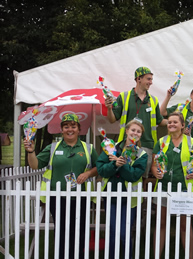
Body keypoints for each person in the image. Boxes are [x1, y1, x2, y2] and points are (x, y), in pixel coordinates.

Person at [24, 113, 98, 259]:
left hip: (81, 197)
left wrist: (88, 173)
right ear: (61, 130)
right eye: (66, 126)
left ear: (79, 129)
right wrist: (31, 151)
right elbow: (35, 165)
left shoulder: (88, 148)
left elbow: (99, 167)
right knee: (61, 231)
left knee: (80, 230)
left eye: (73, 126)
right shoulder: (52, 148)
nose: (70, 129)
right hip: (57, 198)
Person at [151, 112, 193, 258]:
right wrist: (156, 173)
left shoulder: (192, 142)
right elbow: (154, 165)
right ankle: (156, 256)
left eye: (175, 122)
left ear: (183, 125)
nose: (171, 124)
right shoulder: (161, 141)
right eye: (169, 122)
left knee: (185, 225)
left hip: (184, 188)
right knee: (161, 224)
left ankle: (189, 256)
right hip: (164, 187)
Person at [96, 119, 147, 259]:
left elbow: (134, 175)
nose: (135, 133)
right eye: (133, 130)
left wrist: (121, 164)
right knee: (113, 232)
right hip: (111, 196)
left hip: (130, 199)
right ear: (126, 131)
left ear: (141, 135)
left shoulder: (141, 154)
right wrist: (114, 165)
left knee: (124, 233)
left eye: (138, 131)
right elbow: (101, 170)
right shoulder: (111, 147)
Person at [106, 66, 167, 179]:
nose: (151, 82)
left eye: (151, 79)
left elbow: (160, 121)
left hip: (147, 145)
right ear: (139, 79)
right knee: (124, 174)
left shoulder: (153, 100)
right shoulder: (124, 97)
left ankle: (140, 198)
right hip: (126, 144)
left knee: (142, 177)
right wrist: (109, 108)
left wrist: (173, 122)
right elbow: (112, 119)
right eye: (148, 79)